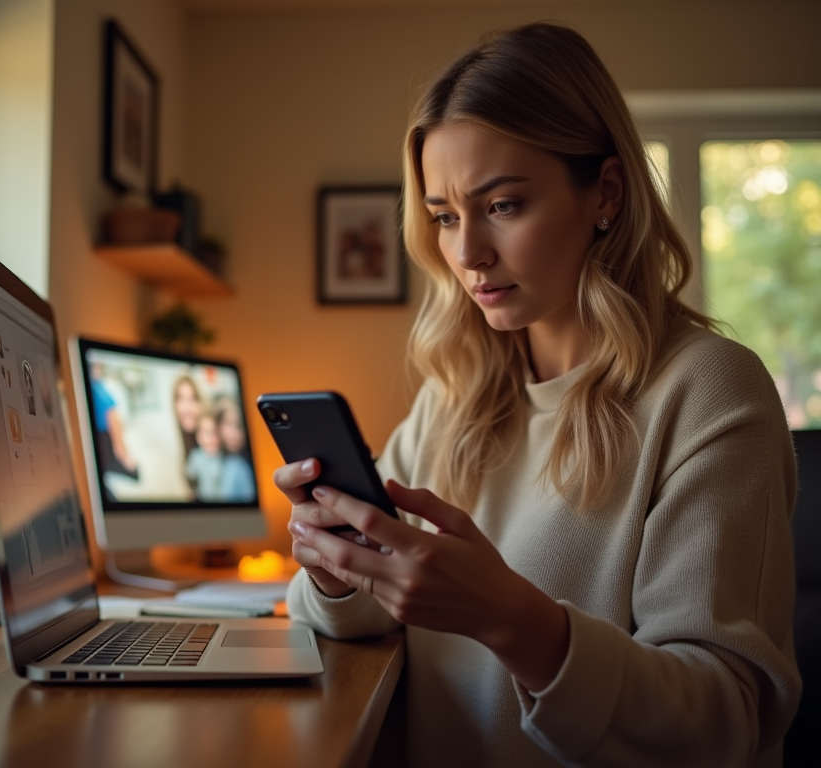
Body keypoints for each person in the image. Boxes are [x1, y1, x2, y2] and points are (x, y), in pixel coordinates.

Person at [279, 22, 801, 768]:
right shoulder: (453, 398)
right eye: (445, 217)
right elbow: (357, 618)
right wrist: (335, 572)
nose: (466, 255)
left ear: (606, 194)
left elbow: (722, 721)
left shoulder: (708, 391)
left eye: (502, 206)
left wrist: (513, 620)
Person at [215, 396, 256, 502]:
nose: (233, 434)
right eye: (227, 424)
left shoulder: (245, 465)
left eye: (238, 426)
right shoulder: (214, 455)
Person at [186, 410, 224, 501]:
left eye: (215, 432)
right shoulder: (196, 456)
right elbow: (190, 478)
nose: (212, 437)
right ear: (199, 437)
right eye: (207, 433)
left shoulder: (224, 456)